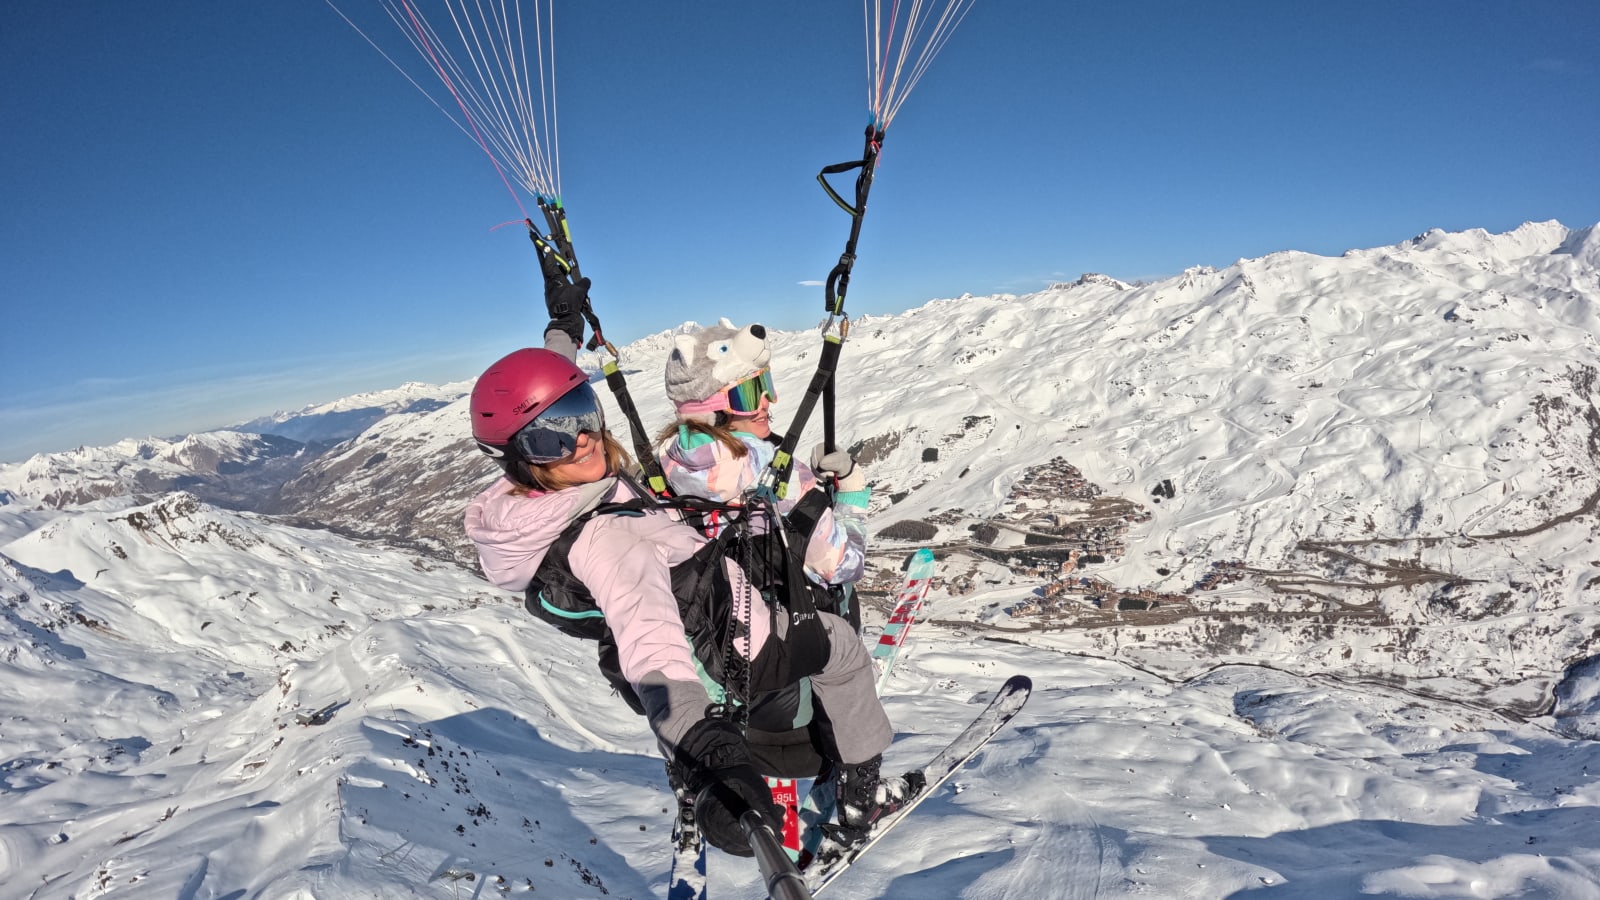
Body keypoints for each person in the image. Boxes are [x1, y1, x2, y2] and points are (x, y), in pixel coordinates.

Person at [462, 276, 913, 856]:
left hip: (697, 632)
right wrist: (848, 496)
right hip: (740, 649)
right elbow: (656, 643)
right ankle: (858, 796)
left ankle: (683, 773)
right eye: (755, 393)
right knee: (845, 648)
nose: (581, 440)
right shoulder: (613, 535)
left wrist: (562, 332)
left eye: (582, 412)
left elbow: (543, 403)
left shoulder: (617, 481)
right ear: (523, 461)